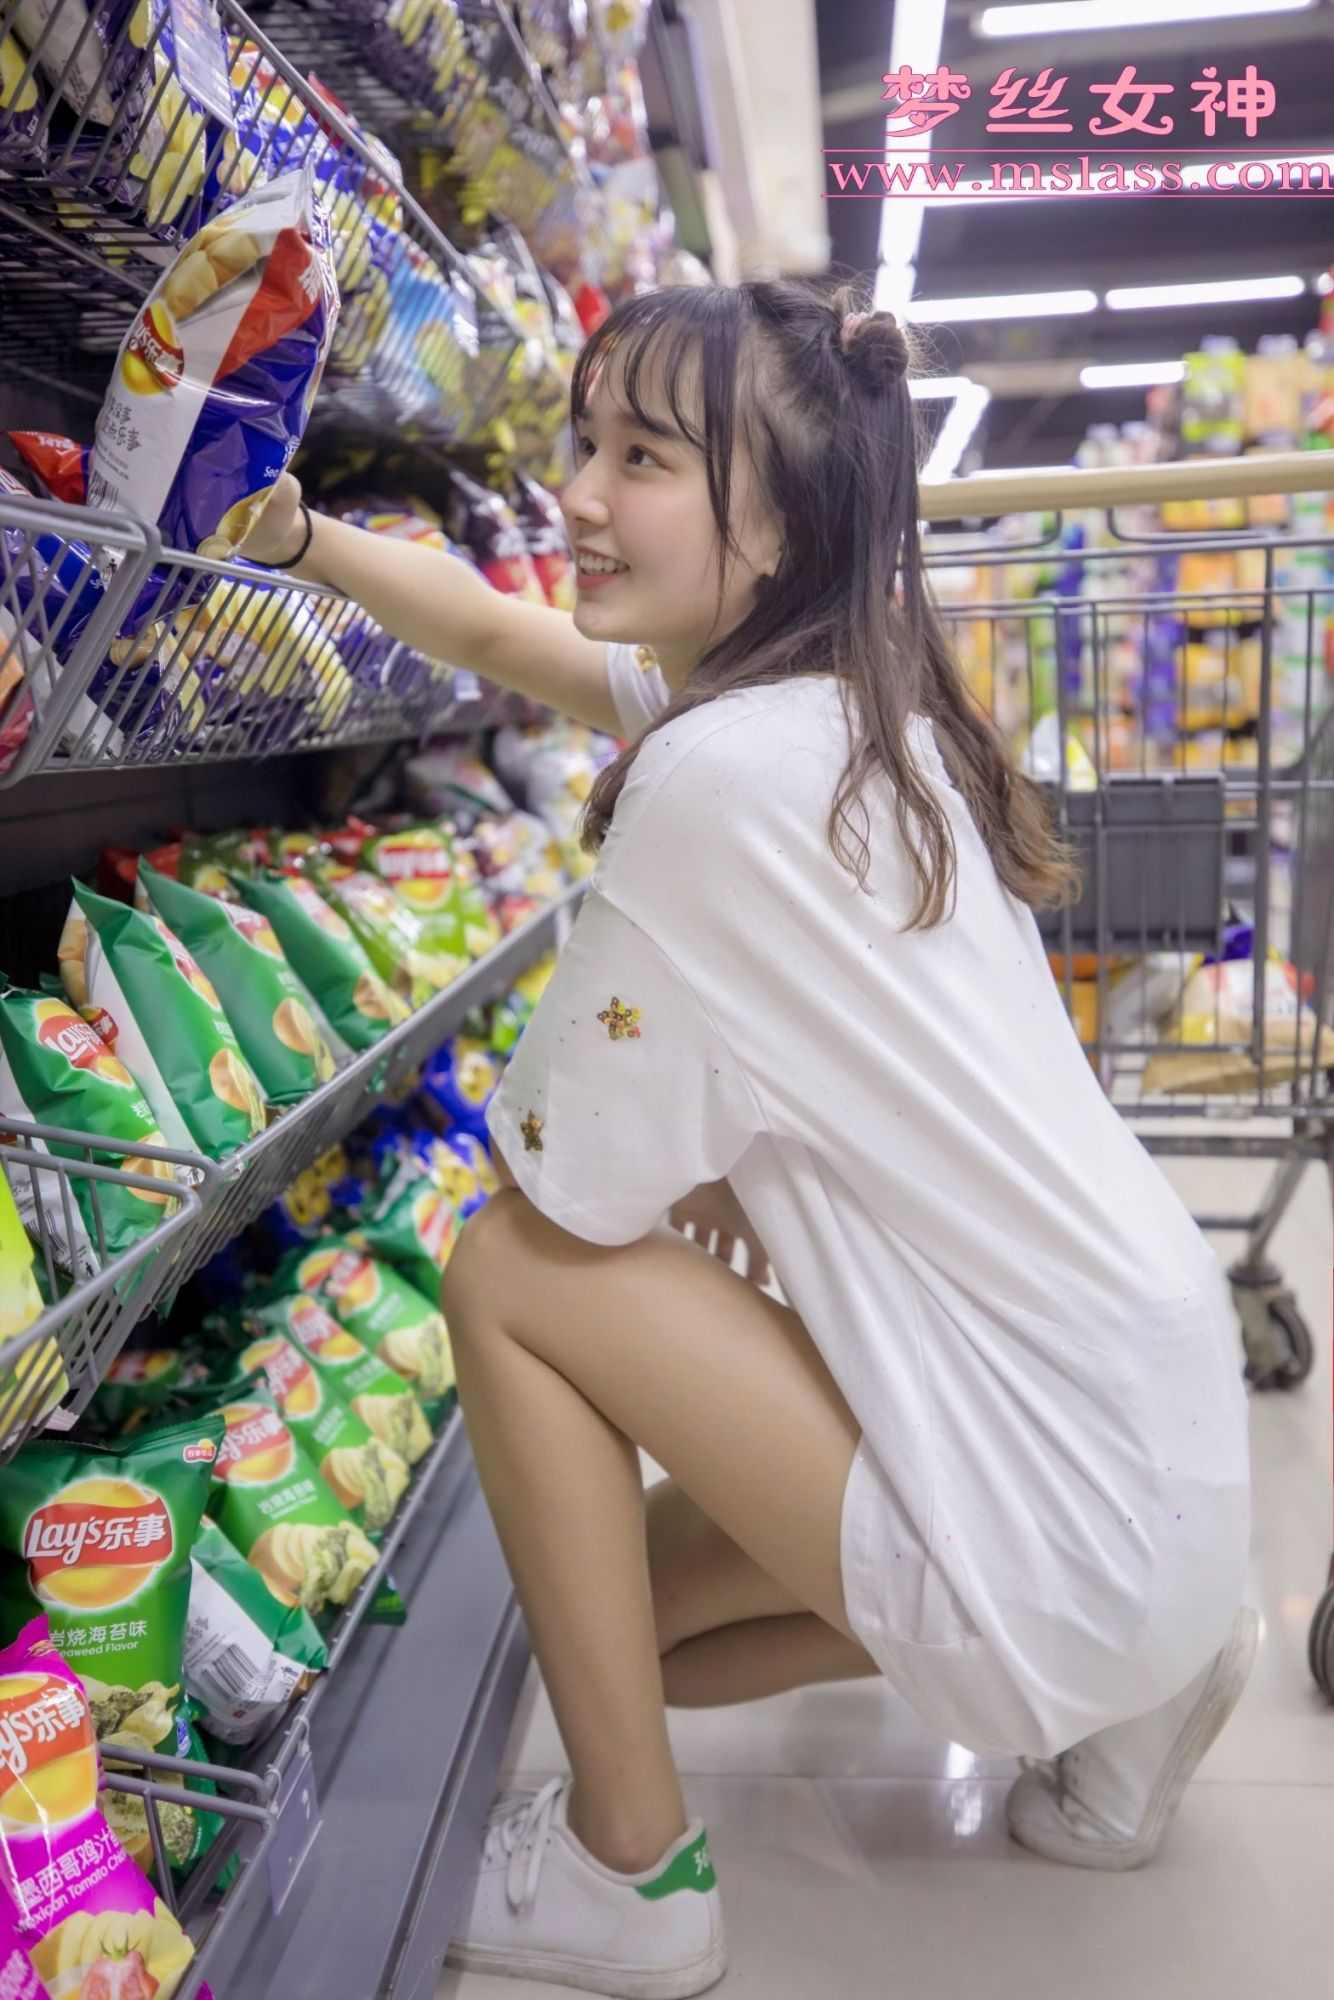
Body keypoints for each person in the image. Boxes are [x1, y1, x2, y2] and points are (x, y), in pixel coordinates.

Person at [242, 280, 1254, 1999]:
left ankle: (626, 1875)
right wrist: (293, 535)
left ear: (782, 523)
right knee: (627, 1640)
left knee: (506, 1271)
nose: (576, 493)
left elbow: (563, 1199)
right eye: (584, 441)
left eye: (641, 457)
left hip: (1045, 1501)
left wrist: (683, 1166)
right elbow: (505, 641)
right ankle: (1131, 1685)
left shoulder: (718, 777)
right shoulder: (868, 724)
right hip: (1155, 1456)